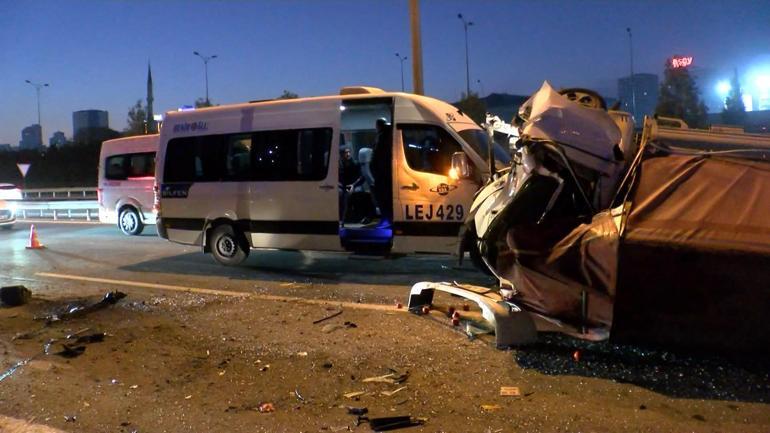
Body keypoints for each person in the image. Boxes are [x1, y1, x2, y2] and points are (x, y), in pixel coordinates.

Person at [370, 118, 393, 225]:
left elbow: (377, 156)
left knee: (384, 199)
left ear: (378, 126)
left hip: (383, 175)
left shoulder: (382, 137)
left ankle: (386, 220)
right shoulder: (390, 134)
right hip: (386, 174)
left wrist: (376, 174)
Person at [338, 146, 363, 223]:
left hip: (353, 185)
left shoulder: (355, 164)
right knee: (339, 193)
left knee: (347, 195)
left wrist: (353, 185)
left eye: (349, 152)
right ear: (341, 154)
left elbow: (361, 177)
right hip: (342, 186)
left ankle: (344, 218)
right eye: (346, 153)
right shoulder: (339, 165)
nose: (348, 154)